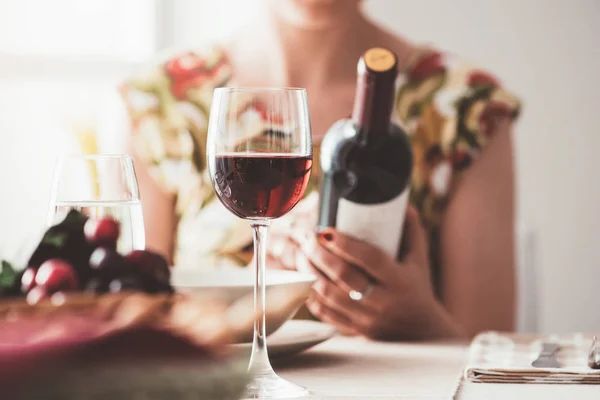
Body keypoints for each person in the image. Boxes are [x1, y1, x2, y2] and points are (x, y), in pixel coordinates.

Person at [118, 0, 521, 340]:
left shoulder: (464, 108)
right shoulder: (159, 101)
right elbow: (126, 328)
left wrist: (424, 326)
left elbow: (491, 363)